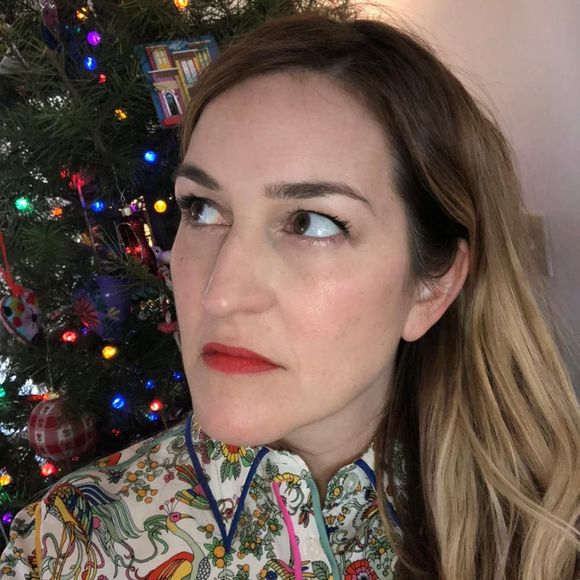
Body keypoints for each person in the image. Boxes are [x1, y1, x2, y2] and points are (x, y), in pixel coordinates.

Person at [1, 9, 579, 580]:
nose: (220, 294)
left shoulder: (549, 534)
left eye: (311, 222)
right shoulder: (62, 548)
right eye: (202, 209)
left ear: (433, 286)